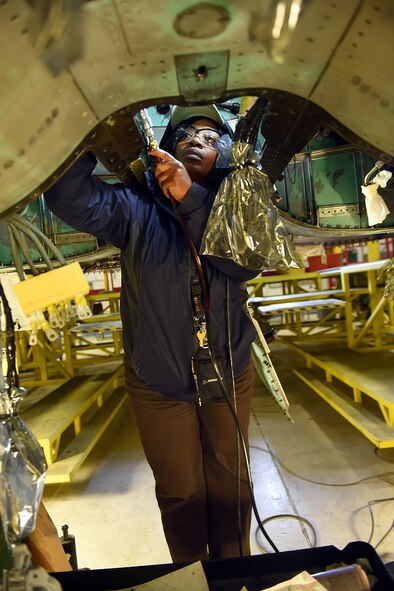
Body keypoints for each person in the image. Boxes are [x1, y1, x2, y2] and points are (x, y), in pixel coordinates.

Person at [45, 104, 260, 563]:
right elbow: (66, 197)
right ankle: (191, 575)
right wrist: (88, 129)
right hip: (158, 382)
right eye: (185, 132)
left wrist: (192, 199)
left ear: (226, 155)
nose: (197, 137)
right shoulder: (135, 209)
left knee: (232, 485)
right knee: (181, 491)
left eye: (211, 134)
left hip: (228, 369)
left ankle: (235, 572)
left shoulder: (236, 209)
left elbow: (244, 263)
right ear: (166, 150)